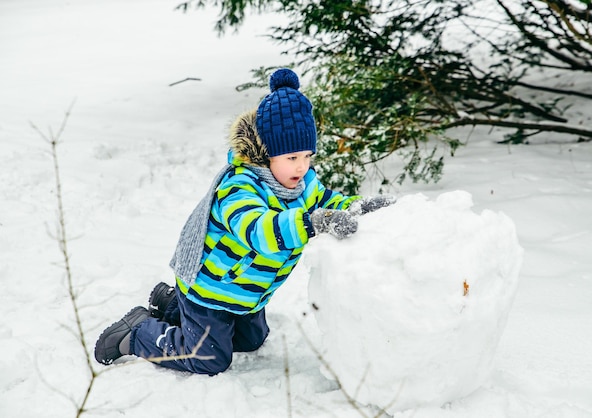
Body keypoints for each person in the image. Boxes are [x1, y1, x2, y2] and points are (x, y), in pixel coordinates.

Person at [94, 68, 395, 374]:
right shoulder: (239, 187)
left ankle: (170, 304)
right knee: (210, 359)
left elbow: (329, 202)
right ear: (268, 154)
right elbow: (258, 232)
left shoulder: (303, 184)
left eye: (307, 156)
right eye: (292, 158)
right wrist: (314, 223)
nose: (302, 166)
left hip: (245, 293)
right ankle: (137, 333)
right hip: (210, 289)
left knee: (252, 340)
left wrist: (357, 207)